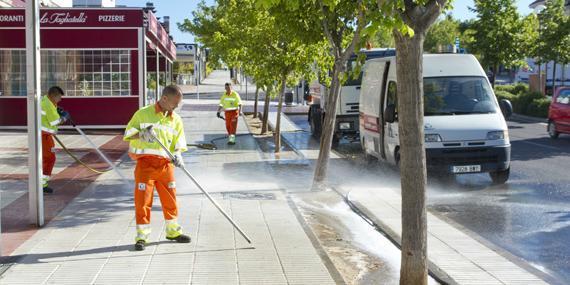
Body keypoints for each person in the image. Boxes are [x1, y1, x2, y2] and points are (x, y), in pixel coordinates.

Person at [123, 85, 191, 251]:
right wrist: (142, 134)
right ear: (165, 98)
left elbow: (178, 143)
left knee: (171, 199)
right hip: (145, 165)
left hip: (166, 166)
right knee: (143, 201)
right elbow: (127, 135)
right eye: (174, 103)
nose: (176, 107)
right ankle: (142, 236)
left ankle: (173, 231)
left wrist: (178, 155)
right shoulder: (143, 114)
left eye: (178, 104)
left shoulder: (176, 120)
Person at [41, 86, 70, 194]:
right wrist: (64, 117)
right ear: (53, 96)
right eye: (59, 97)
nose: (60, 99)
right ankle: (42, 184)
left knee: (48, 159)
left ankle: (42, 183)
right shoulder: (48, 104)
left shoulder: (46, 100)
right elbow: (54, 122)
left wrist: (57, 110)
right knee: (49, 159)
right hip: (44, 136)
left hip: (46, 135)